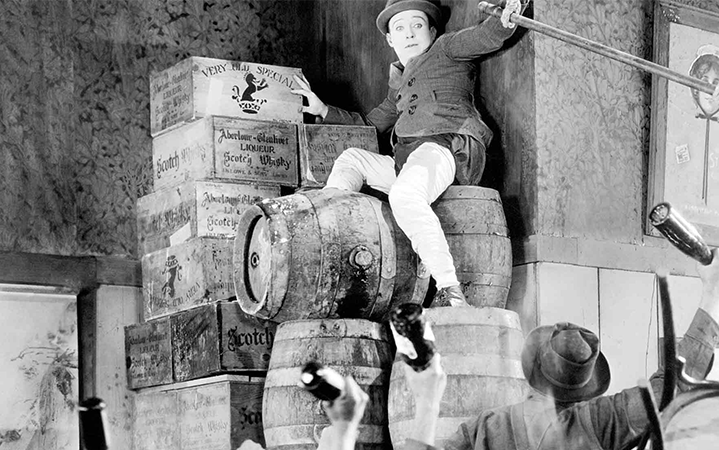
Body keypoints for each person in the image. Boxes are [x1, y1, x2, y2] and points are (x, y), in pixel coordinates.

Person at [317, 248, 719, 450]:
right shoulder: (600, 422)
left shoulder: (486, 430)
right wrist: (712, 297)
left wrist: (425, 403)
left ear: (531, 368)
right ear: (585, 385)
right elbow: (671, 389)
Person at [292, 0, 526, 307]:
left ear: (432, 31)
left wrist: (509, 14)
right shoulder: (398, 84)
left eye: (417, 25)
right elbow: (370, 125)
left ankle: (450, 290)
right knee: (352, 158)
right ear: (390, 39)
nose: (409, 34)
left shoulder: (447, 48)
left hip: (446, 149)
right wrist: (323, 110)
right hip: (407, 161)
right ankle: (334, 234)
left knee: (403, 196)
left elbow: (486, 35)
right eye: (399, 28)